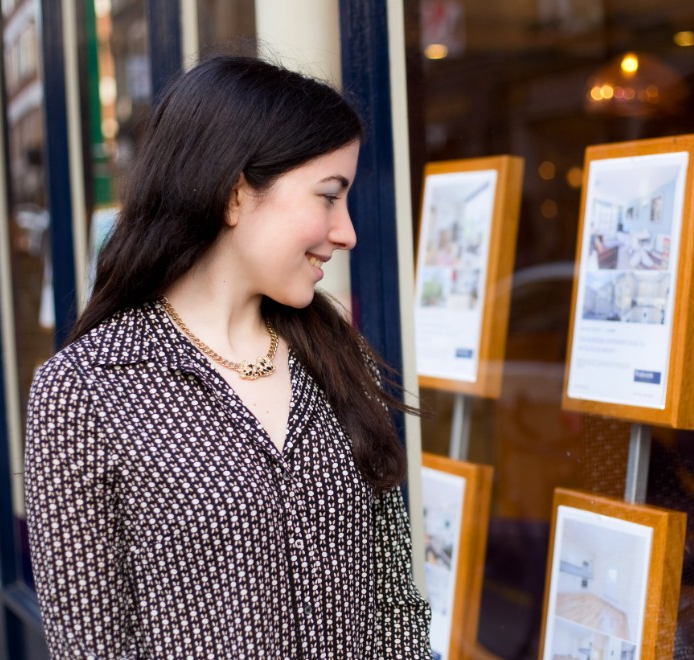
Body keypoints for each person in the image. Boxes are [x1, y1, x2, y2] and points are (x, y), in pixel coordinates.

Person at [24, 55, 431, 657]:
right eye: (328, 196)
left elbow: (396, 604)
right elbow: (92, 646)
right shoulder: (86, 391)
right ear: (236, 194)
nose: (347, 232)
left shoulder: (341, 358)